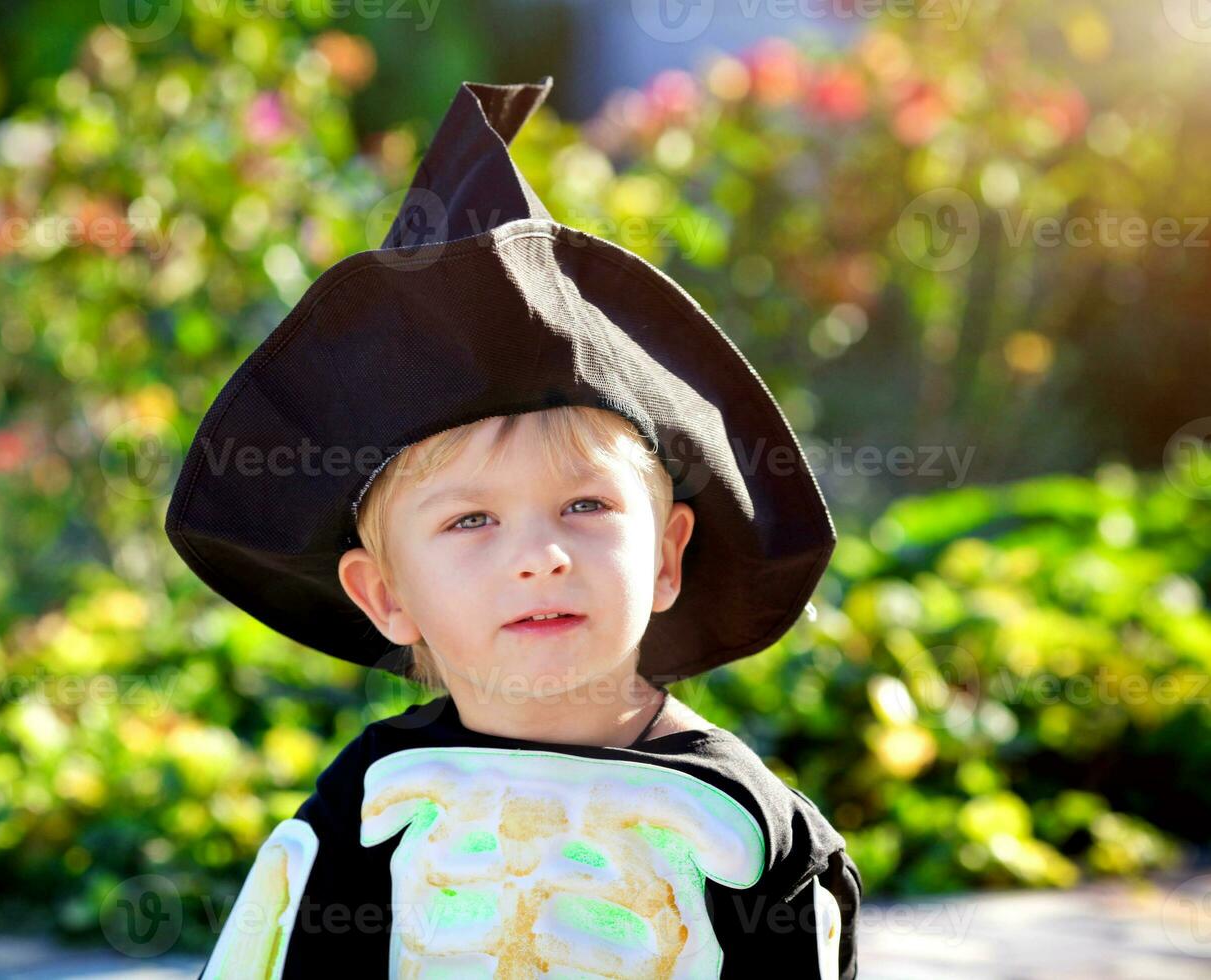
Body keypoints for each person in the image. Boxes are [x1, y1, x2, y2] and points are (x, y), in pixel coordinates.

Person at [166, 76, 860, 978]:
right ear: (385, 595)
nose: (540, 556)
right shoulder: (360, 819)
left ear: (667, 553)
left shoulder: (754, 835)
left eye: (586, 505)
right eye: (469, 520)